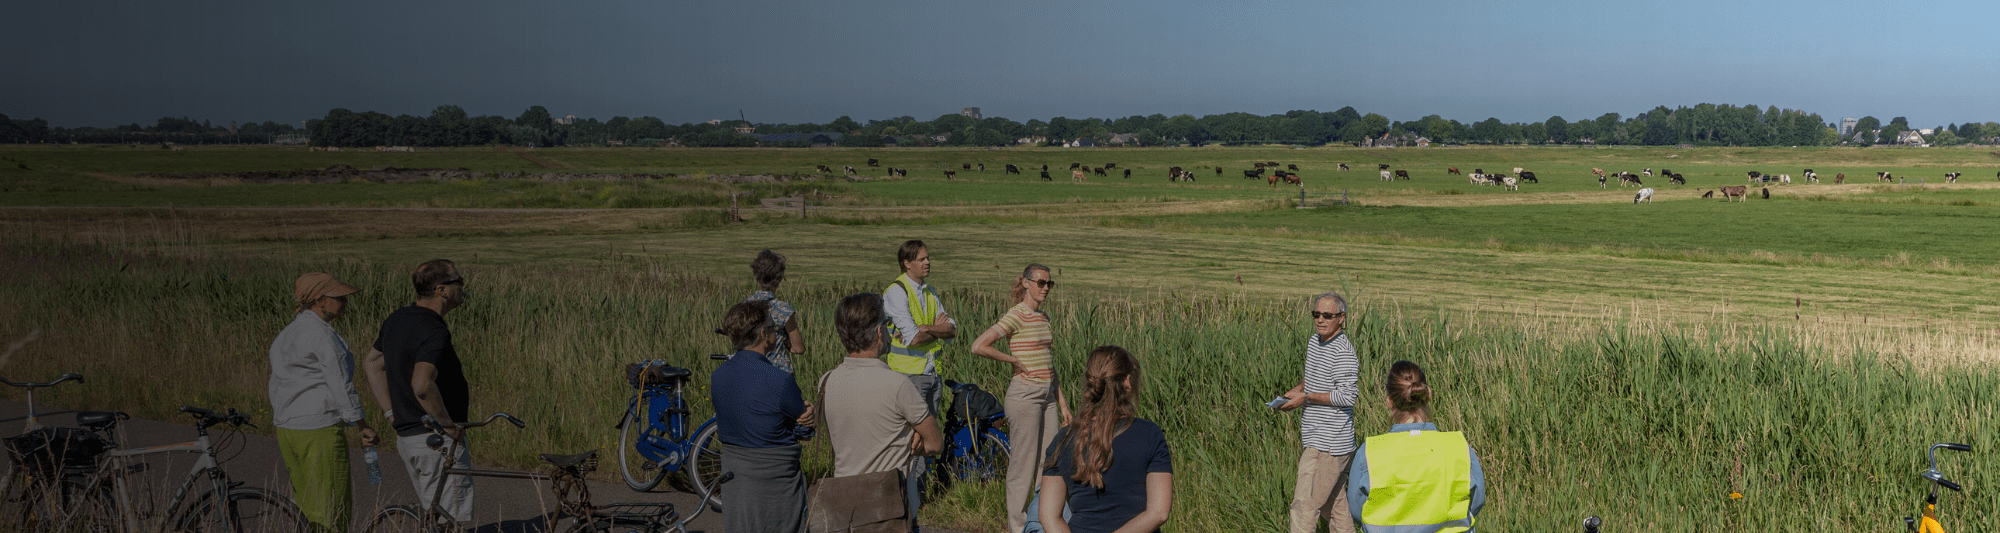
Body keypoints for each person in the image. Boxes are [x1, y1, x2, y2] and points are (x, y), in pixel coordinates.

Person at [821, 292, 943, 532]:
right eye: (887, 326)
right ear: (879, 333)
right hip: (889, 507)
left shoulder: (826, 382)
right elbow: (936, 443)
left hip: (843, 505)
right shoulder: (897, 384)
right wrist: (911, 440)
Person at [365, 259, 474, 523]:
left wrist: (391, 412)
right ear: (442, 290)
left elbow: (372, 363)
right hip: (435, 441)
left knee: (433, 516)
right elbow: (422, 384)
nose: (463, 286)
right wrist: (448, 426)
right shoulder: (434, 329)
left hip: (408, 438)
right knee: (450, 521)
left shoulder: (397, 318)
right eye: (458, 281)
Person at [267, 272, 377, 533]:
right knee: (331, 502)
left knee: (306, 502)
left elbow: (278, 382)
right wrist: (362, 424)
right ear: (319, 300)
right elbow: (340, 384)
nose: (344, 301)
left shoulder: (287, 333)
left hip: (287, 427)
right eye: (338, 297)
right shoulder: (321, 335)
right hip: (319, 426)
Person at [969, 263, 1072, 533]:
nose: (1046, 288)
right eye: (1041, 283)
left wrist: (1061, 402)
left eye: (1049, 284)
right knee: (1022, 466)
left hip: (1047, 395)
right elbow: (979, 345)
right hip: (1025, 395)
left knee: (1048, 462)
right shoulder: (1017, 314)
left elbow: (1050, 363)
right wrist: (1012, 360)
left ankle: (1040, 521)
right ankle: (1017, 527)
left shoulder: (1043, 317)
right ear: (1026, 283)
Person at [1038, 346, 1172, 533]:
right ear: (1127, 381)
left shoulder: (1064, 438)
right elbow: (1159, 513)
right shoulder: (1149, 434)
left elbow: (1048, 516)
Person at [1347, 361, 1487, 533]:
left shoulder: (1369, 453)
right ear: (1428, 394)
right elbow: (1476, 501)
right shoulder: (1459, 447)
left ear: (1389, 402)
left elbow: (1356, 510)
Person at [713, 301, 816, 533]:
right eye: (773, 327)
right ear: (764, 334)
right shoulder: (780, 380)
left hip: (736, 481)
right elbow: (805, 431)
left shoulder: (718, 376)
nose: (776, 333)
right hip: (775, 482)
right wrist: (809, 415)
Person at [1277, 292, 1360, 533]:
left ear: (1341, 318)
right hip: (1315, 437)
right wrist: (1295, 391)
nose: (1320, 320)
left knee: (1304, 506)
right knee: (1333, 506)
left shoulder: (1343, 352)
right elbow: (1313, 377)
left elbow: (1348, 396)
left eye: (1327, 315)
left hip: (1331, 444)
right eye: (1316, 314)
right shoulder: (1315, 342)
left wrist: (1307, 398)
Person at [883, 239, 957, 411]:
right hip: (907, 375)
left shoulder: (930, 291)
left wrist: (925, 327)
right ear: (907, 263)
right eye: (922, 259)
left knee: (928, 434)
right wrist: (936, 330)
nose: (928, 263)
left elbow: (951, 330)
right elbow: (914, 339)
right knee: (911, 434)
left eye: (928, 258)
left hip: (933, 373)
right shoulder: (897, 292)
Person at [743, 249, 806, 374]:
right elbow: (798, 348)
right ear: (780, 278)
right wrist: (786, 342)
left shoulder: (743, 307)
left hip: (748, 371)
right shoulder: (782, 309)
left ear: (756, 275)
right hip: (778, 372)